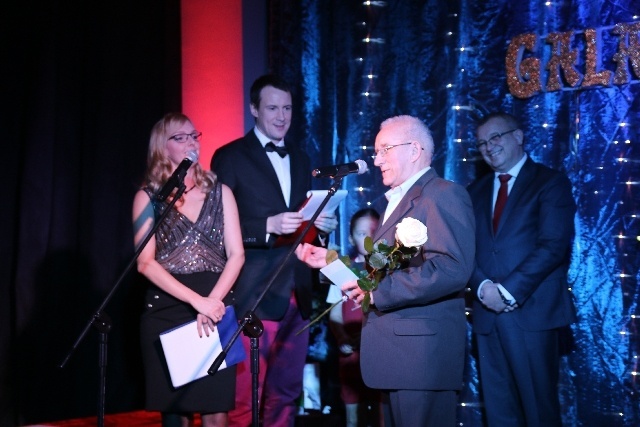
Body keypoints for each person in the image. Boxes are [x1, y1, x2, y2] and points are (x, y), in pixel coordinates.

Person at [296, 115, 476, 426]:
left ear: (414, 149)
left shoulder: (442, 194)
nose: (377, 160)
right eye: (376, 152)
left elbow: (451, 268)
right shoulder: (399, 201)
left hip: (421, 358)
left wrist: (378, 292)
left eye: (384, 150)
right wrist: (331, 262)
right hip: (396, 356)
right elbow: (380, 275)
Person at [210, 74, 338, 427]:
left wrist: (320, 227)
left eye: (287, 108)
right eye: (272, 108)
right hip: (254, 291)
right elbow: (215, 225)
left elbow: (300, 224)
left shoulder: (301, 157)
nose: (281, 116)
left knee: (286, 394)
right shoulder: (230, 156)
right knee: (245, 398)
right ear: (254, 109)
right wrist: (266, 226)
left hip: (298, 289)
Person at [132, 113, 245, 427]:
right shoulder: (148, 197)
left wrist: (212, 303)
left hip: (217, 308)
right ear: (162, 146)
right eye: (180, 137)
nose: (191, 142)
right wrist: (197, 302)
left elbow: (237, 254)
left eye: (193, 135)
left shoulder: (221, 192)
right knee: (176, 414)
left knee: (216, 411)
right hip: (168, 309)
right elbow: (145, 262)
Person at [467, 112, 576, 426]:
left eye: (495, 137)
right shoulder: (473, 191)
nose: (489, 147)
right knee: (499, 413)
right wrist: (482, 287)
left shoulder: (550, 182)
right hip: (486, 316)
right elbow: (465, 249)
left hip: (532, 314)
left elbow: (553, 245)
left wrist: (506, 291)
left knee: (538, 412)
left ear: (518, 136)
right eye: (482, 143)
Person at [325, 208, 382, 427]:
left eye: (373, 232)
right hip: (350, 353)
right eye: (361, 233)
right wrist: (341, 338)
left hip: (378, 351)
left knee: (379, 408)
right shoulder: (342, 270)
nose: (367, 238)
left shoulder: (386, 271)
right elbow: (335, 312)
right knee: (352, 409)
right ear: (351, 238)